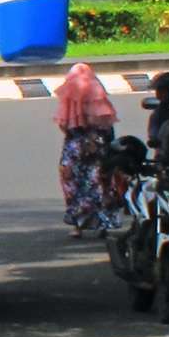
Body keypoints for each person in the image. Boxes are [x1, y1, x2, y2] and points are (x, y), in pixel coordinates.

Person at [53, 61, 120, 233]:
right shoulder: (97, 93)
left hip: (74, 149)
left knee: (74, 185)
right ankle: (102, 224)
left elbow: (64, 126)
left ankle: (77, 225)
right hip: (96, 147)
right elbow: (106, 127)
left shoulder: (69, 94)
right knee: (99, 184)